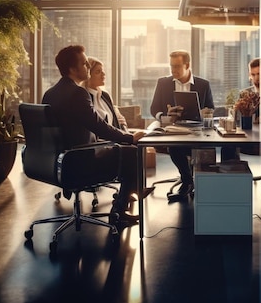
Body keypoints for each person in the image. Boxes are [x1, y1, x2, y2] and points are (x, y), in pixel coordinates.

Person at [42, 45, 147, 228]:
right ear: (73, 69)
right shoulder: (77, 93)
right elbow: (99, 126)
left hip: (57, 161)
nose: (87, 67)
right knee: (132, 152)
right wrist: (130, 138)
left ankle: (133, 192)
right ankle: (119, 210)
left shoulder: (50, 94)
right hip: (79, 161)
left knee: (125, 150)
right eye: (84, 64)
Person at [150, 50, 214, 201]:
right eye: (171, 66)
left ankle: (195, 181)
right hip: (174, 129)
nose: (173, 70)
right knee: (174, 145)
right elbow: (153, 109)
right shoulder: (163, 83)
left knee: (204, 146)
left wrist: (206, 112)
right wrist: (166, 116)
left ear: (187, 65)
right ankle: (187, 180)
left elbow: (211, 108)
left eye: (177, 66)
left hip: (197, 130)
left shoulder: (203, 84)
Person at [82, 56, 128, 130]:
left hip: (115, 139)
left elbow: (117, 124)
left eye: (102, 70)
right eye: (98, 72)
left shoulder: (105, 95)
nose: (103, 74)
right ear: (88, 74)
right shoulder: (84, 96)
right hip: (99, 141)